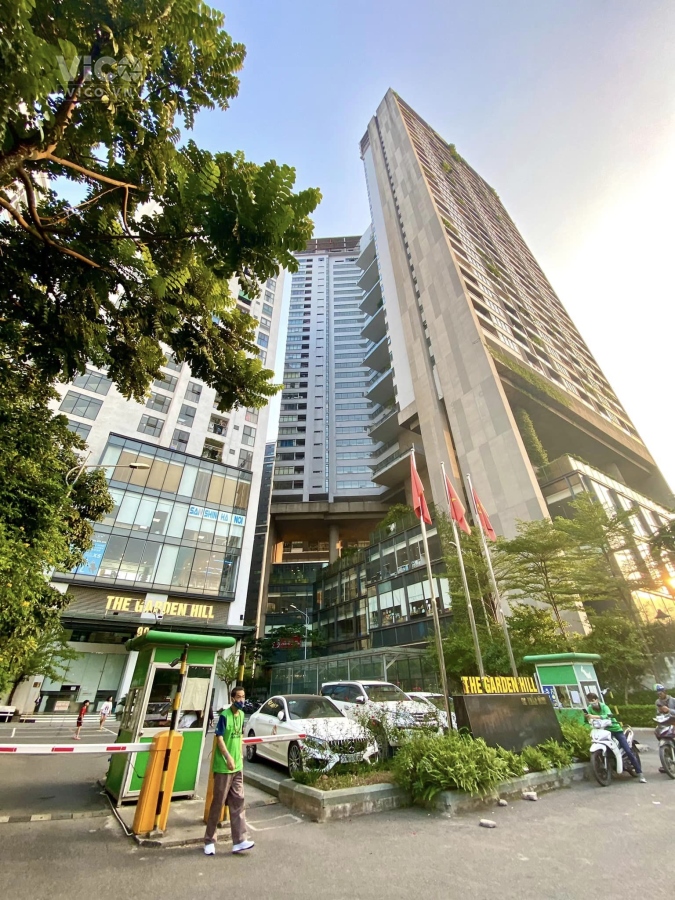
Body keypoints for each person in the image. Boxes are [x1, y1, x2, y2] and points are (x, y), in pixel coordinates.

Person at [203, 687, 254, 857]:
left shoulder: (242, 716)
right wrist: (228, 757)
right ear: (232, 699)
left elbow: (239, 737)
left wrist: (240, 756)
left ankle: (239, 840)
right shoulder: (225, 716)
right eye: (238, 697)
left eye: (243, 697)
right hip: (224, 767)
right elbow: (219, 738)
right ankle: (209, 840)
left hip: (237, 766)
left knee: (238, 801)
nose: (241, 700)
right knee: (218, 802)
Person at [585, 693, 646, 783]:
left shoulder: (604, 707)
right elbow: (586, 721)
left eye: (592, 700)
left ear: (597, 700)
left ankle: (640, 773)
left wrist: (594, 716)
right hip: (602, 731)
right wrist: (587, 719)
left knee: (627, 750)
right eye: (589, 701)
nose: (591, 702)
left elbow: (608, 715)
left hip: (615, 730)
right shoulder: (589, 708)